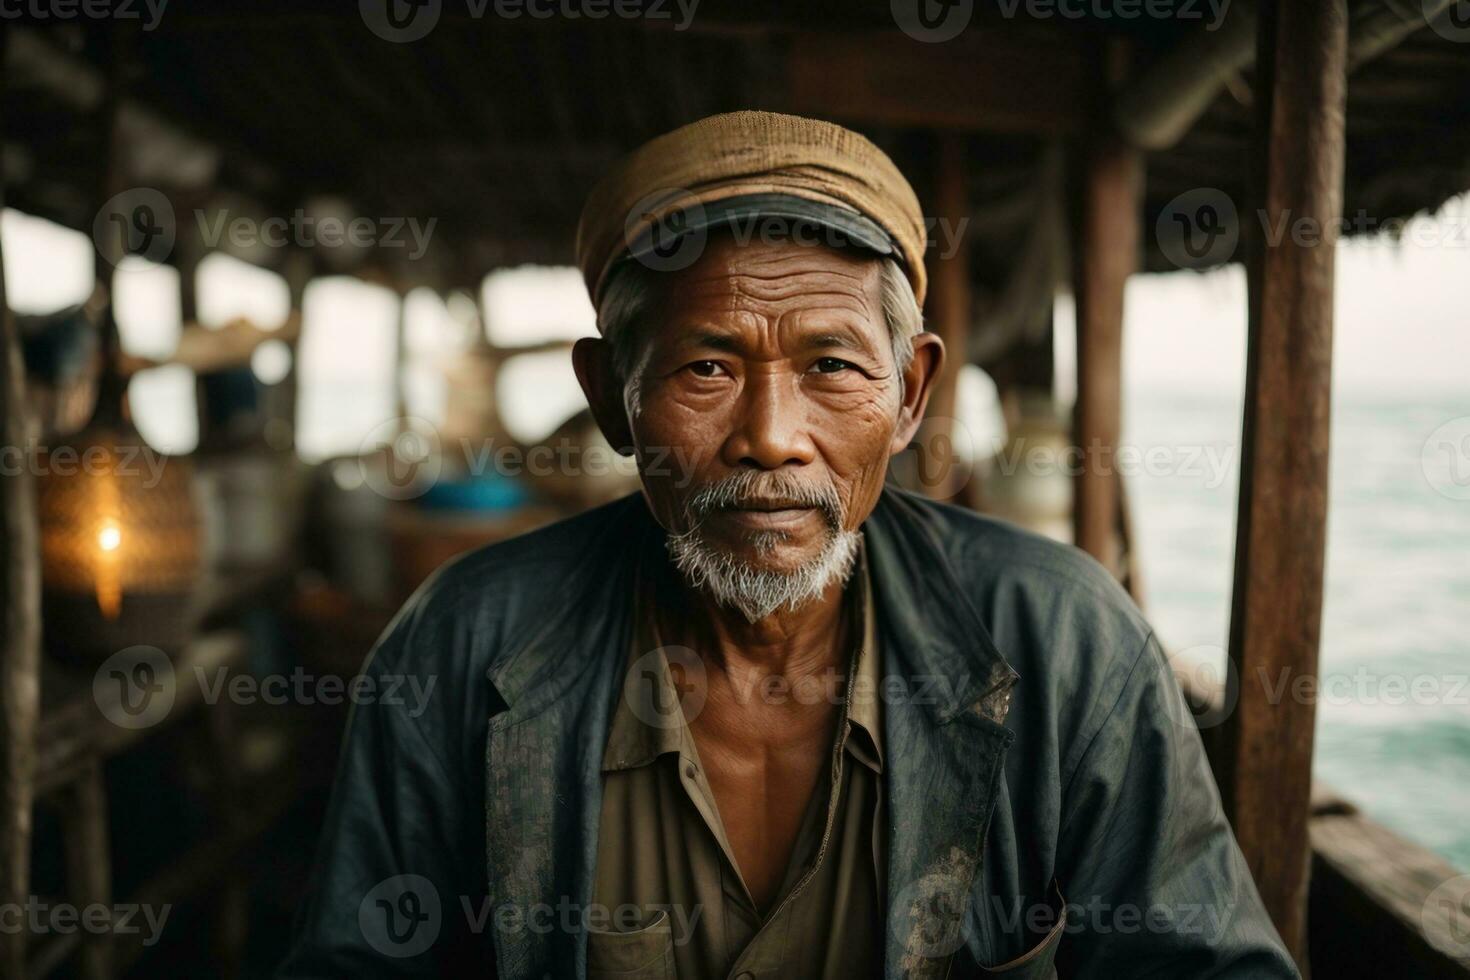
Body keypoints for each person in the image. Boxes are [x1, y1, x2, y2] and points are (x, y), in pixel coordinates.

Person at [279, 111, 1297, 979]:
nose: (770, 434)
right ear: (609, 400)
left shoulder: (1065, 640)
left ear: (909, 395)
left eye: (832, 364)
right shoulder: (463, 643)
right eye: (707, 367)